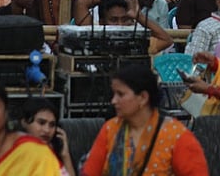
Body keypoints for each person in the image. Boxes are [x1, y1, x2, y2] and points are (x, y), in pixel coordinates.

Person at [80, 63, 208, 176]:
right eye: (114, 94)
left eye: (121, 94)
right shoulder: (110, 129)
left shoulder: (177, 136)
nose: (114, 101)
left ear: (143, 97)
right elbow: (90, 172)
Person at [15, 99, 75, 176]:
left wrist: (65, 155)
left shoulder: (54, 153)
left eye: (52, 125)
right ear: (24, 122)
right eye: (41, 123)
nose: (47, 130)